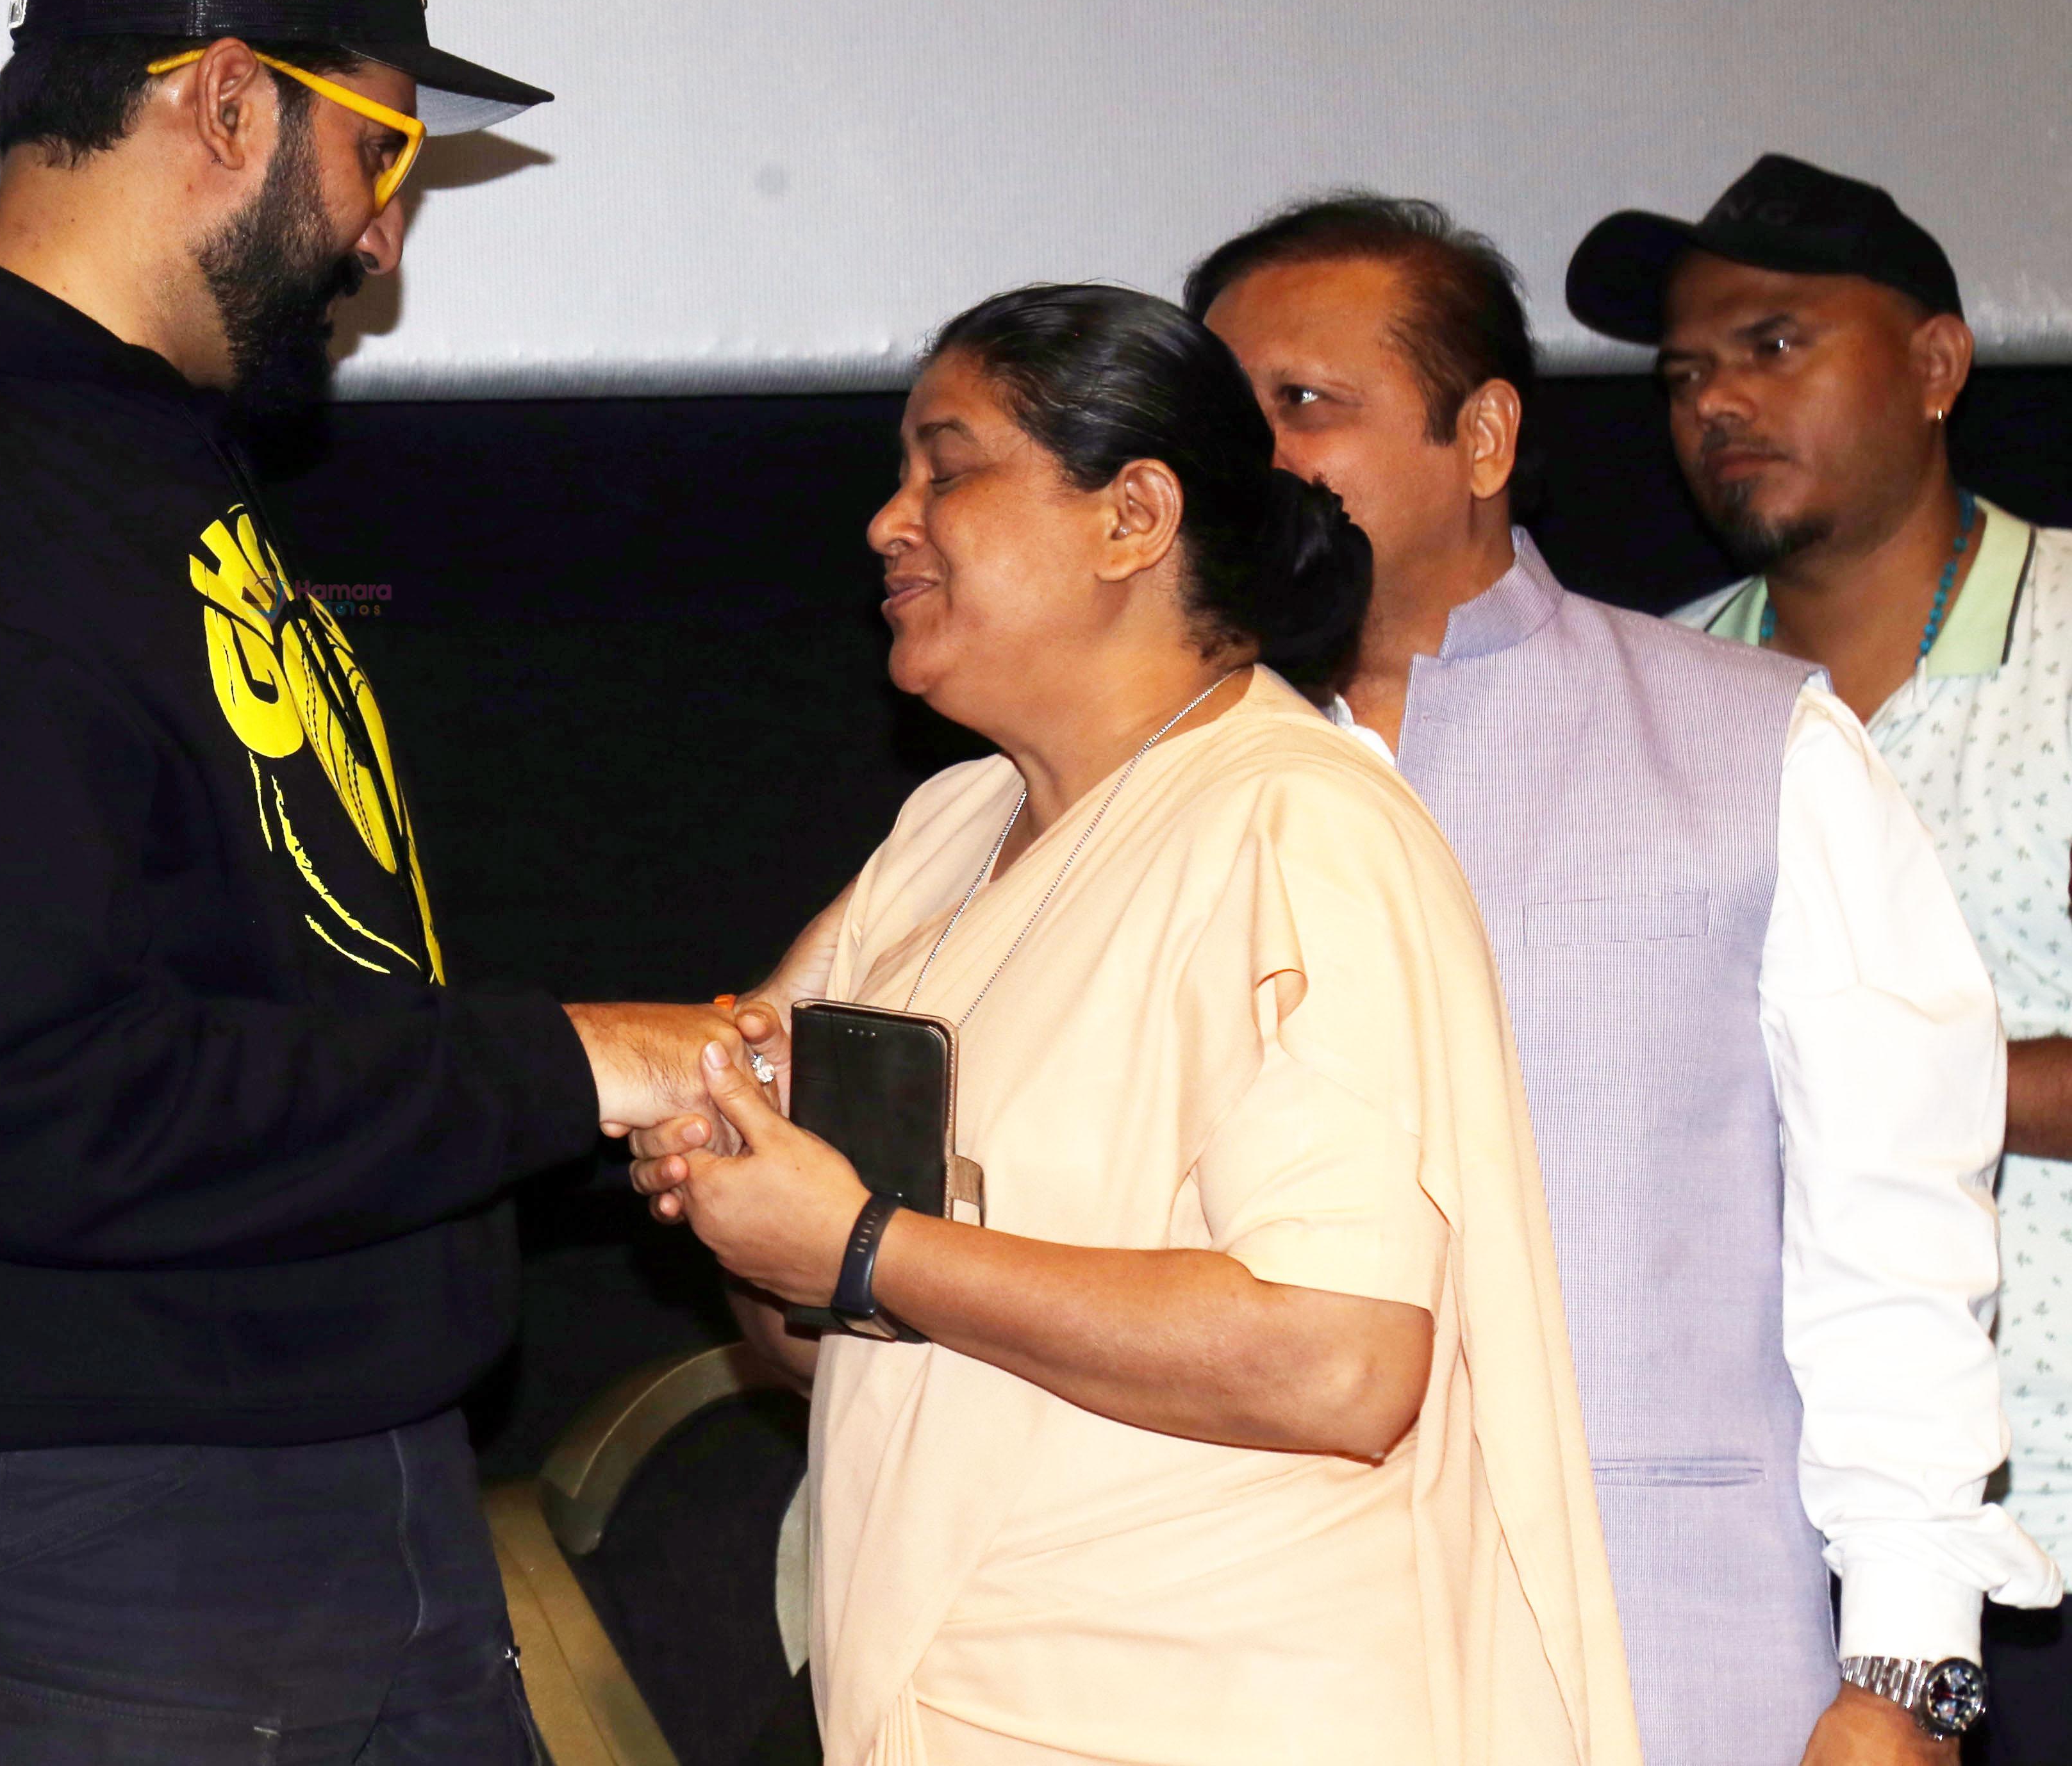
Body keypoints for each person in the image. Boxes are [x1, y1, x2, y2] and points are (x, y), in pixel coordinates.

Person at [0, 0, 775, 1762]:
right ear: (233, 103)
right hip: (104, 1556)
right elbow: (37, 1100)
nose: (384, 237)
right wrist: (572, 1064)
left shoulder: (123, 471)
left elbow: (283, 1000)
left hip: (332, 1510)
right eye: (386, 151)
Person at [631, 283, 1641, 1766]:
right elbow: (827, 1343)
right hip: (946, 1696)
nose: (887, 523)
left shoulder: (1296, 821)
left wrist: (861, 1242)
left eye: (949, 467)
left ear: (1133, 516)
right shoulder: (943, 832)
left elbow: (1339, 1363)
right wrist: (742, 1196)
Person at [1191, 190, 2050, 1765]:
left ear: (1486, 434)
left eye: (1305, 405)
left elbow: (1896, 1239)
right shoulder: (1154, 790)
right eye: (1218, 417)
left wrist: (1908, 1670)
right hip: (1239, 1658)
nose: (1255, 460)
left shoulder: (1745, 743)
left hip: (1674, 1644)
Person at [1570, 154, 2072, 1756]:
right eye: (1685, 372)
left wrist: (1858, 1087)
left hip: (2042, 1511)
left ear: (1934, 367)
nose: (1717, 398)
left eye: (1775, 345)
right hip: (1758, 1557)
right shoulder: (1644, 700)